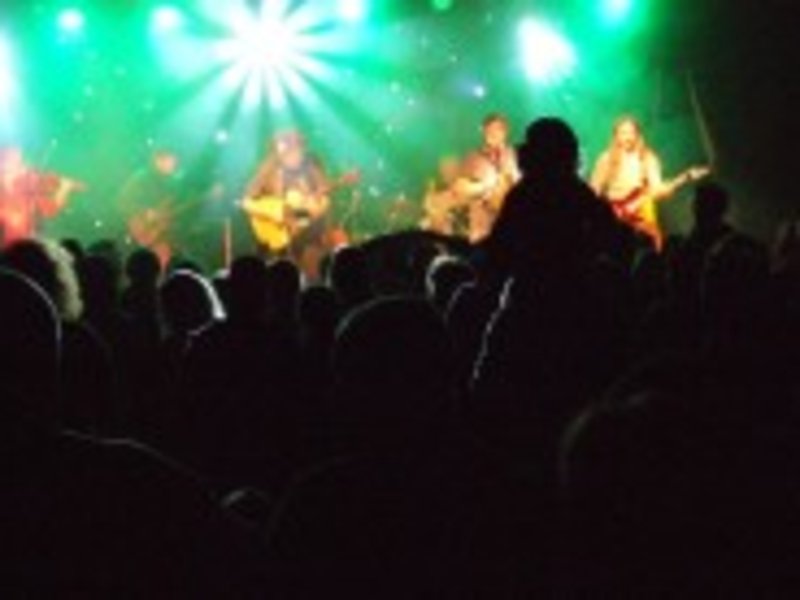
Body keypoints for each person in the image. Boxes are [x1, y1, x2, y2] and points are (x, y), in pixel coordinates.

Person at [591, 116, 705, 249]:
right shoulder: (605, 159)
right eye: (623, 133)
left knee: (649, 249)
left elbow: (657, 189)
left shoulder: (646, 157)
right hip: (614, 216)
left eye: (631, 132)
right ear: (615, 136)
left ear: (638, 135)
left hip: (640, 214)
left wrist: (686, 177)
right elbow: (594, 190)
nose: (627, 137)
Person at [243, 130, 337, 280]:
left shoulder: (311, 166)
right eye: (291, 151)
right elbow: (247, 202)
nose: (297, 155)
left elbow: (323, 197)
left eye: (299, 149)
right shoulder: (268, 169)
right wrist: (279, 212)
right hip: (275, 237)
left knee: (312, 271)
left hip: (307, 235)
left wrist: (316, 207)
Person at [0, 146, 83, 247]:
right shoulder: (21, 188)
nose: (24, 165)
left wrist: (64, 188)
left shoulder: (29, 186)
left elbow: (50, 210)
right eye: (17, 162)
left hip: (25, 245)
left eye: (21, 161)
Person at [461, 113, 521, 243]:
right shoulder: (473, 158)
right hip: (482, 227)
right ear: (483, 132)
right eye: (488, 129)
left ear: (505, 132)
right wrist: (483, 188)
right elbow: (461, 188)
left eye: (497, 129)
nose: (492, 133)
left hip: (510, 224)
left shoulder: (516, 156)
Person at [118, 149, 182, 268]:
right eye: (171, 161)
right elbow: (123, 202)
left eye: (175, 162)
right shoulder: (141, 178)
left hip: (161, 233)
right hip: (144, 231)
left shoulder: (172, 183)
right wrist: (145, 212)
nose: (174, 165)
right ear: (158, 161)